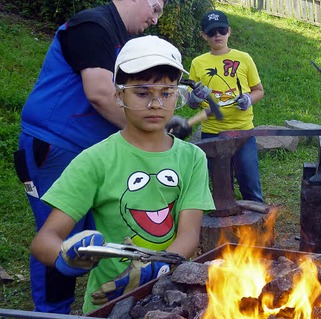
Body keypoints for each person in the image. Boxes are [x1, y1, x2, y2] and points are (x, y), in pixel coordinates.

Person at [13, 0, 189, 313]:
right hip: (57, 146)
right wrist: (152, 135)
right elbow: (99, 92)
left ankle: (114, 301)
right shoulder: (94, 26)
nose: (156, 17)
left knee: (104, 231)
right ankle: (52, 312)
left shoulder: (123, 40)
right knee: (64, 239)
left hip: (98, 149)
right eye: (156, 7)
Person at [187, 9, 265, 203]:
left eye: (221, 30)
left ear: (229, 31)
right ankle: (227, 226)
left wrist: (248, 99)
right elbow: (190, 102)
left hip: (243, 132)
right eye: (212, 32)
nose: (218, 36)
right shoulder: (198, 63)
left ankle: (260, 223)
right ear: (204, 35)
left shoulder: (244, 58)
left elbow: (259, 90)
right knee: (221, 187)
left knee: (250, 181)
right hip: (212, 133)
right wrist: (196, 98)